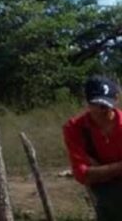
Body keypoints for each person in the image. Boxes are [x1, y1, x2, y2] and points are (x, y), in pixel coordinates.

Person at [63, 75, 122, 220]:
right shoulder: (75, 128)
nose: (101, 111)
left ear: (116, 99)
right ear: (87, 102)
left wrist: (99, 169)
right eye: (96, 104)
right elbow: (82, 175)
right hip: (106, 194)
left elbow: (89, 173)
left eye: (106, 106)